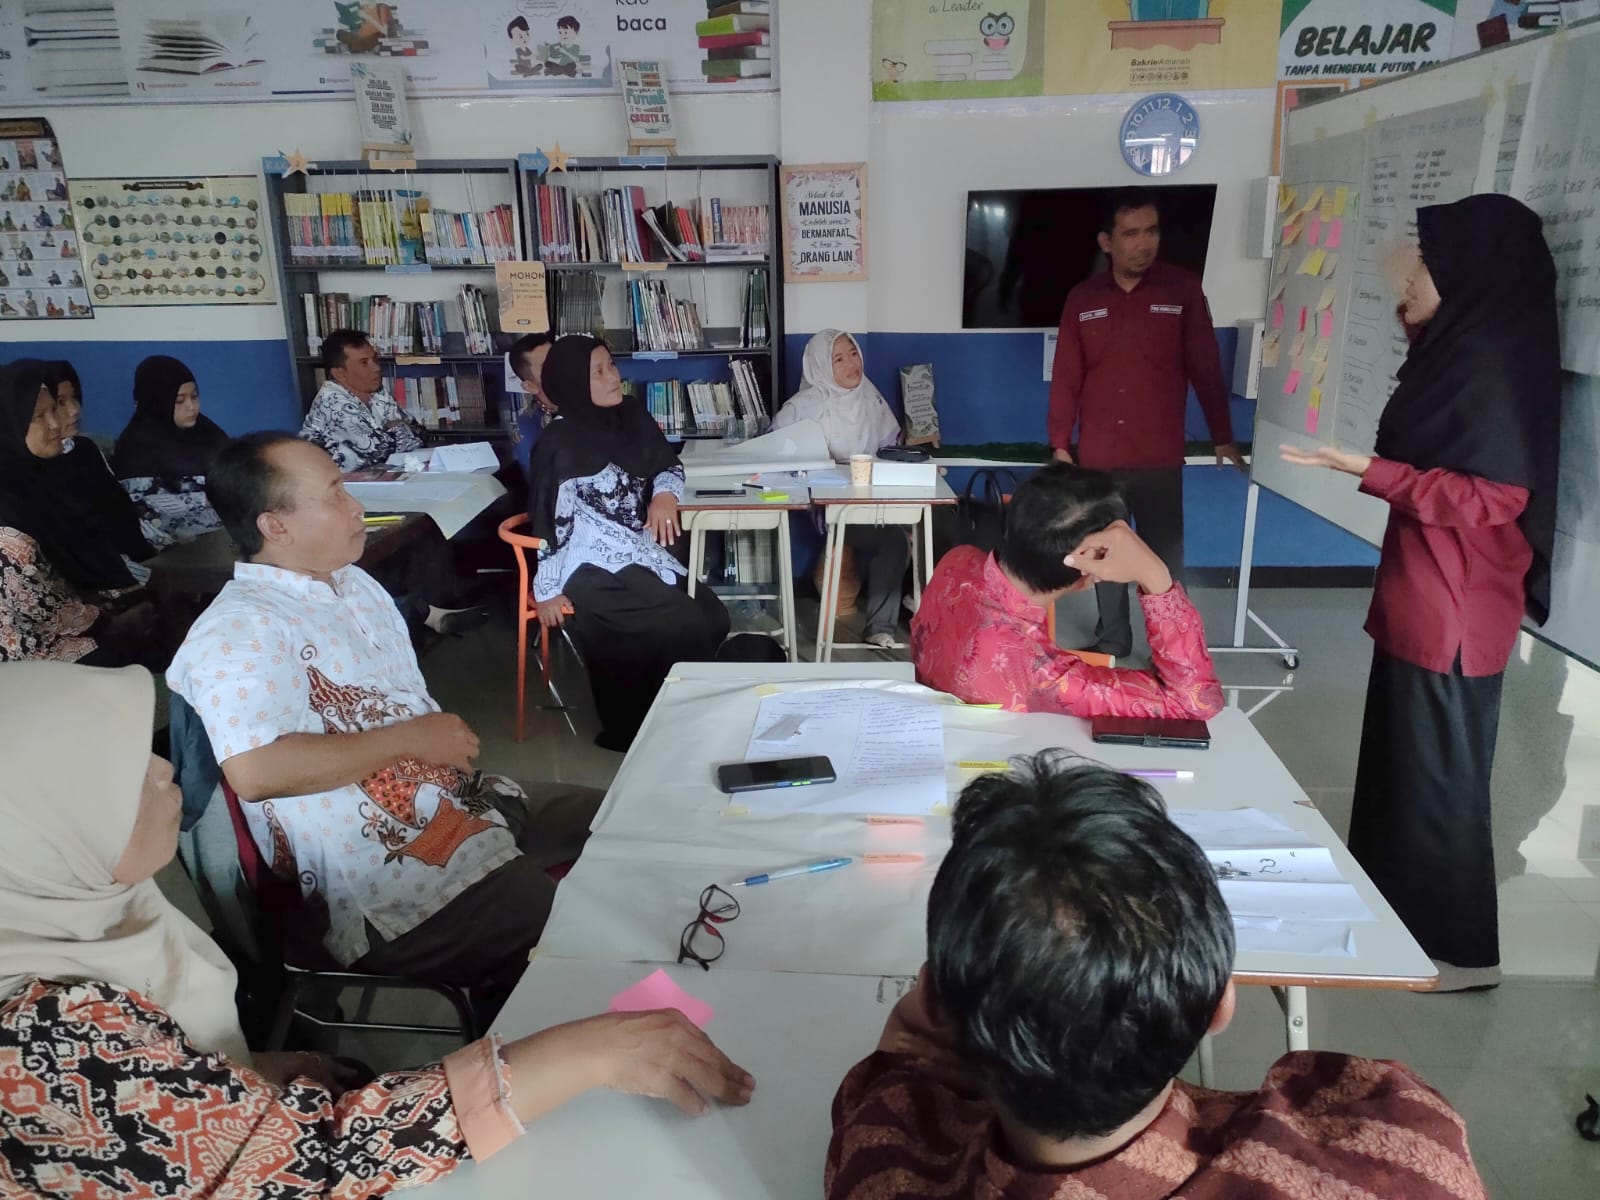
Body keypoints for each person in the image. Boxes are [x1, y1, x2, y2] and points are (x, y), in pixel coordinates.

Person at [0, 661, 755, 1197]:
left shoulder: (72, 913)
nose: (167, 772)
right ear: (40, 831)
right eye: (127, 773)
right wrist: (573, 1056)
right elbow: (314, 1165)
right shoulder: (38, 1035)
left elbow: (130, 1112)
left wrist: (243, 1075)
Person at [825, 755, 1487, 1199]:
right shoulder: (1403, 1147)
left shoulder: (887, 1166)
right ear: (1220, 1001)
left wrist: (905, 1055)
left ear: (937, 1003)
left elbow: (881, 1102)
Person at [166, 433, 603, 994]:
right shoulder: (241, 629)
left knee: (622, 824)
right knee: (582, 938)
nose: (356, 509)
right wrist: (411, 739)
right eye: (335, 496)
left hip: (463, 803)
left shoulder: (352, 583)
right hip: (387, 878)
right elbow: (256, 772)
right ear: (276, 526)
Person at [1281, 194, 1561, 993]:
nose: (1409, 282)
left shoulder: (1497, 368)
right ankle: (1392, 922)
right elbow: (1428, 409)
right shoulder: (1461, 351)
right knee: (1398, 779)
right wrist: (1415, 311)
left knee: (1444, 791)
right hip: (1419, 599)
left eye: (1426, 268)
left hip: (1456, 613)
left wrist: (1364, 471)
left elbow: (1494, 500)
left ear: (1471, 275)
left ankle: (1468, 958)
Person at [1048, 188, 1245, 658]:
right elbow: (1066, 377)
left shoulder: (1181, 291)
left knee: (1163, 562)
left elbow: (1206, 368)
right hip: (1098, 459)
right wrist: (1060, 443)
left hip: (1158, 459)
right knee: (1101, 554)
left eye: (1151, 231)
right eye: (1130, 233)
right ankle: (1114, 637)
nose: (1143, 243)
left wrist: (1222, 435)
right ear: (1106, 241)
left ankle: (1170, 650)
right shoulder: (1083, 299)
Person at [528, 335, 730, 750]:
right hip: (587, 564)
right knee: (683, 622)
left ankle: (675, 713)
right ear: (571, 382)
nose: (612, 377)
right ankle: (642, 730)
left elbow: (667, 464)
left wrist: (663, 495)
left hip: (638, 551)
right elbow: (549, 525)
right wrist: (545, 592)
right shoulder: (558, 444)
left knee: (712, 615)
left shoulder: (632, 414)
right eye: (597, 372)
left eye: (611, 366)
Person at [913, 464, 1222, 719]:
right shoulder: (1040, 673)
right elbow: (1194, 702)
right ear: (1091, 567)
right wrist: (1155, 576)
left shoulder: (958, 562)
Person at [0, 362, 157, 665]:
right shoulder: (6, 512)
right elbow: (37, 608)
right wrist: (111, 624)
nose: (57, 424)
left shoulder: (39, 483)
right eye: (38, 416)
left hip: (80, 618)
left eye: (53, 410)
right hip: (28, 655)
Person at [774, 329, 909, 647]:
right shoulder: (804, 407)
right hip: (834, 507)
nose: (852, 364)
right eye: (839, 358)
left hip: (877, 497)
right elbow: (775, 449)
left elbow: (892, 444)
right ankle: (881, 627)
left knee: (936, 522)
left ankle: (919, 601)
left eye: (853, 354)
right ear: (821, 367)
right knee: (894, 541)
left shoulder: (869, 395)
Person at [42, 360, 157, 578]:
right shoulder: (29, 471)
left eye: (75, 397)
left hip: (132, 561)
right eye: (60, 402)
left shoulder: (85, 449)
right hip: (94, 582)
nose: (74, 410)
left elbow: (121, 510)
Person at [112, 354, 229, 546]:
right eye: (179, 401)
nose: (192, 407)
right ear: (157, 402)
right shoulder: (137, 448)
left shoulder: (207, 432)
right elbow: (146, 504)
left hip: (224, 535)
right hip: (176, 548)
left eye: (194, 396)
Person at [299, 328, 424, 471]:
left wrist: (392, 432)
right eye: (364, 363)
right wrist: (399, 428)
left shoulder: (377, 394)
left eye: (375, 359)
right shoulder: (333, 403)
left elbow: (420, 432)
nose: (376, 368)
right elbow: (379, 451)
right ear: (339, 373)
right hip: (328, 484)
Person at [508, 330, 556, 476]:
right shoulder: (526, 432)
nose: (561, 368)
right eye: (548, 366)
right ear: (531, 386)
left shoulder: (592, 401)